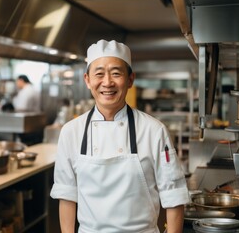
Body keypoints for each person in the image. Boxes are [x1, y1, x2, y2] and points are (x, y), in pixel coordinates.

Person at [50, 39, 190, 233]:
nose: (107, 82)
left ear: (130, 79)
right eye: (99, 74)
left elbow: (173, 196)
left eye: (116, 73)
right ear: (87, 80)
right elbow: (66, 195)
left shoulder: (154, 130)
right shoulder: (71, 132)